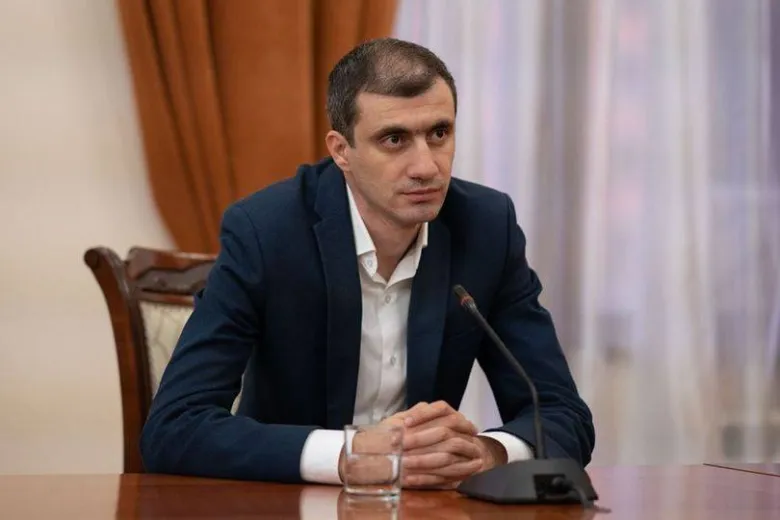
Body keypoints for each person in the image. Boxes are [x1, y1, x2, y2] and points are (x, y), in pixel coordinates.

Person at [140, 38, 594, 488]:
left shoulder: (486, 229)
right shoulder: (266, 232)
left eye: (439, 133)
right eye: (394, 139)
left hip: (423, 507)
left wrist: (489, 452)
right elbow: (175, 426)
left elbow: (562, 414)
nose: (426, 166)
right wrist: (348, 455)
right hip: (288, 503)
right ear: (341, 151)